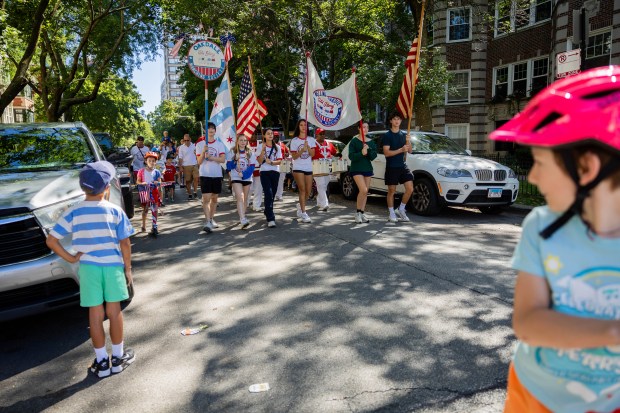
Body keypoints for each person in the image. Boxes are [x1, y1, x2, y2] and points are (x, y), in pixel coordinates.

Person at [488, 66, 620, 412]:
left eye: (540, 162)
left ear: (586, 168)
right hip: (534, 396)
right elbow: (528, 322)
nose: (531, 175)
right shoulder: (541, 226)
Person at [45, 161, 135, 378]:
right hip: (112, 267)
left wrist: (72, 257)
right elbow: (124, 243)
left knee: (95, 315)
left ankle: (102, 361)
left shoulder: (74, 212)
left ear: (82, 187)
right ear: (106, 189)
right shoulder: (115, 211)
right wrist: (128, 269)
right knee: (114, 313)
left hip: (88, 268)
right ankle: (118, 358)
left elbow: (51, 240)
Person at [382, 111, 413, 223]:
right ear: (391, 121)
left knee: (410, 188)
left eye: (398, 119)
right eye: (394, 119)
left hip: (402, 166)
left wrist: (409, 141)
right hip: (392, 166)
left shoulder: (404, 134)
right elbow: (386, 153)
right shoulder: (387, 135)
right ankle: (391, 213)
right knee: (392, 191)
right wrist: (401, 150)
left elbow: (410, 150)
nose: (397, 121)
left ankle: (401, 209)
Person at [196, 122, 226, 233]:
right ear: (205, 131)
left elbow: (222, 159)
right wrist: (204, 151)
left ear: (215, 130)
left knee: (214, 199)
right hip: (205, 174)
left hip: (217, 174)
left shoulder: (219, 144)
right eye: (208, 128)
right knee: (206, 198)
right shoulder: (200, 144)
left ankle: (212, 219)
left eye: (213, 128)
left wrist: (212, 157)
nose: (211, 130)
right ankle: (207, 221)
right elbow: (199, 162)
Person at [349, 121, 377, 223]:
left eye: (367, 127)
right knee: (363, 190)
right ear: (359, 128)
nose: (365, 129)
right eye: (363, 127)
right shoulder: (354, 141)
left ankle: (362, 213)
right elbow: (351, 156)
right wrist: (361, 153)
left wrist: (368, 150)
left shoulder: (371, 142)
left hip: (368, 169)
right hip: (356, 169)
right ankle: (357, 213)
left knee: (365, 192)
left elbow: (373, 157)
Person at [226, 134, 256, 228]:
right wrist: (235, 160)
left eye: (244, 140)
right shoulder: (232, 151)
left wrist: (244, 175)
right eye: (241, 140)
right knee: (240, 197)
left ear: (247, 142)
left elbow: (252, 167)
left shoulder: (250, 152)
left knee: (246, 199)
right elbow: (228, 167)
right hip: (236, 177)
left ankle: (242, 216)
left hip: (246, 177)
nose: (243, 142)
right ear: (237, 141)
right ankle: (243, 219)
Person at [290, 119, 316, 223]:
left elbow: (313, 154)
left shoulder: (311, 139)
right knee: (302, 189)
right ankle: (304, 213)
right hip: (298, 168)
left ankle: (300, 205)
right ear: (298, 127)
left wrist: (308, 147)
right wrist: (302, 150)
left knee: (309, 191)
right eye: (301, 125)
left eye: (305, 125)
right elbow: (294, 157)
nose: (303, 127)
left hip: (308, 167)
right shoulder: (294, 140)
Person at [257, 128, 283, 228]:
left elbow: (280, 161)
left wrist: (271, 162)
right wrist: (263, 151)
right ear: (264, 136)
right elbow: (259, 161)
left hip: (275, 172)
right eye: (268, 134)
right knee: (268, 193)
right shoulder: (260, 146)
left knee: (273, 194)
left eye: (271, 133)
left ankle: (267, 210)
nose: (270, 135)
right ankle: (271, 218)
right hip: (264, 172)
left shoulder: (277, 147)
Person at [136, 151, 163, 236]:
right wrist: (142, 183)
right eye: (149, 160)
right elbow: (138, 181)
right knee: (146, 209)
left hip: (154, 191)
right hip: (145, 192)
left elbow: (160, 182)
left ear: (155, 162)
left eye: (153, 161)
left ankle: (154, 226)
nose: (151, 162)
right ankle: (143, 224)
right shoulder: (141, 171)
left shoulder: (157, 171)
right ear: (146, 161)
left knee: (155, 208)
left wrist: (157, 183)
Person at [312, 128, 337, 211]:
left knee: (324, 185)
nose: (323, 135)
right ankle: (325, 203)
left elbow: (334, 152)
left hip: (328, 167)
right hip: (317, 167)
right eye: (321, 134)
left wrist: (337, 157)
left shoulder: (329, 143)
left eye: (323, 133)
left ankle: (319, 201)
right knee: (320, 184)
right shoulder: (313, 144)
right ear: (317, 135)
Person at [177, 134, 199, 200]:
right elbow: (180, 157)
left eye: (187, 140)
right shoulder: (181, 147)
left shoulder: (195, 145)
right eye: (185, 140)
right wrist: (180, 166)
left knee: (196, 178)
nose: (186, 141)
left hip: (194, 164)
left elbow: (198, 155)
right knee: (188, 181)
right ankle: (190, 194)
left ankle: (195, 192)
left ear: (190, 139)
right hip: (186, 166)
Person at [248, 132, 263, 212]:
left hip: (258, 168)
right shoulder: (245, 143)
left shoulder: (260, 144)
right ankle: (246, 202)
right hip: (248, 169)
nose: (253, 136)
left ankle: (256, 205)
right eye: (252, 134)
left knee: (258, 188)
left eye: (255, 134)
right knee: (249, 188)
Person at [274, 131, 289, 201]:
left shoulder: (282, 145)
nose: (276, 137)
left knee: (281, 180)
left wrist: (287, 154)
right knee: (274, 180)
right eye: (275, 136)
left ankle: (279, 195)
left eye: (277, 136)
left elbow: (287, 153)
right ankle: (274, 194)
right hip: (274, 164)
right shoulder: (270, 145)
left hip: (282, 164)